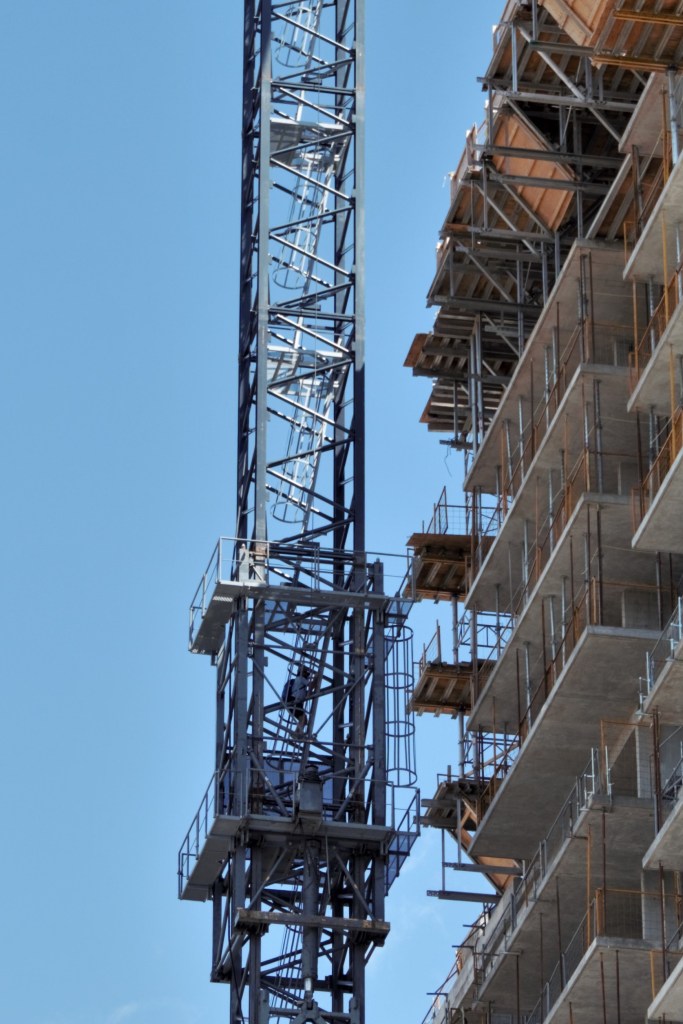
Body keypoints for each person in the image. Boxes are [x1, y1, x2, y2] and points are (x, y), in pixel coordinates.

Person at [282, 665, 311, 738]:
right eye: (306, 673)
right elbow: (311, 685)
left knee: (303, 719)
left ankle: (296, 733)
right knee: (303, 718)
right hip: (295, 701)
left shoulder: (297, 681)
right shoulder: (301, 678)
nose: (307, 675)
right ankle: (297, 733)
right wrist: (316, 678)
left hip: (292, 702)